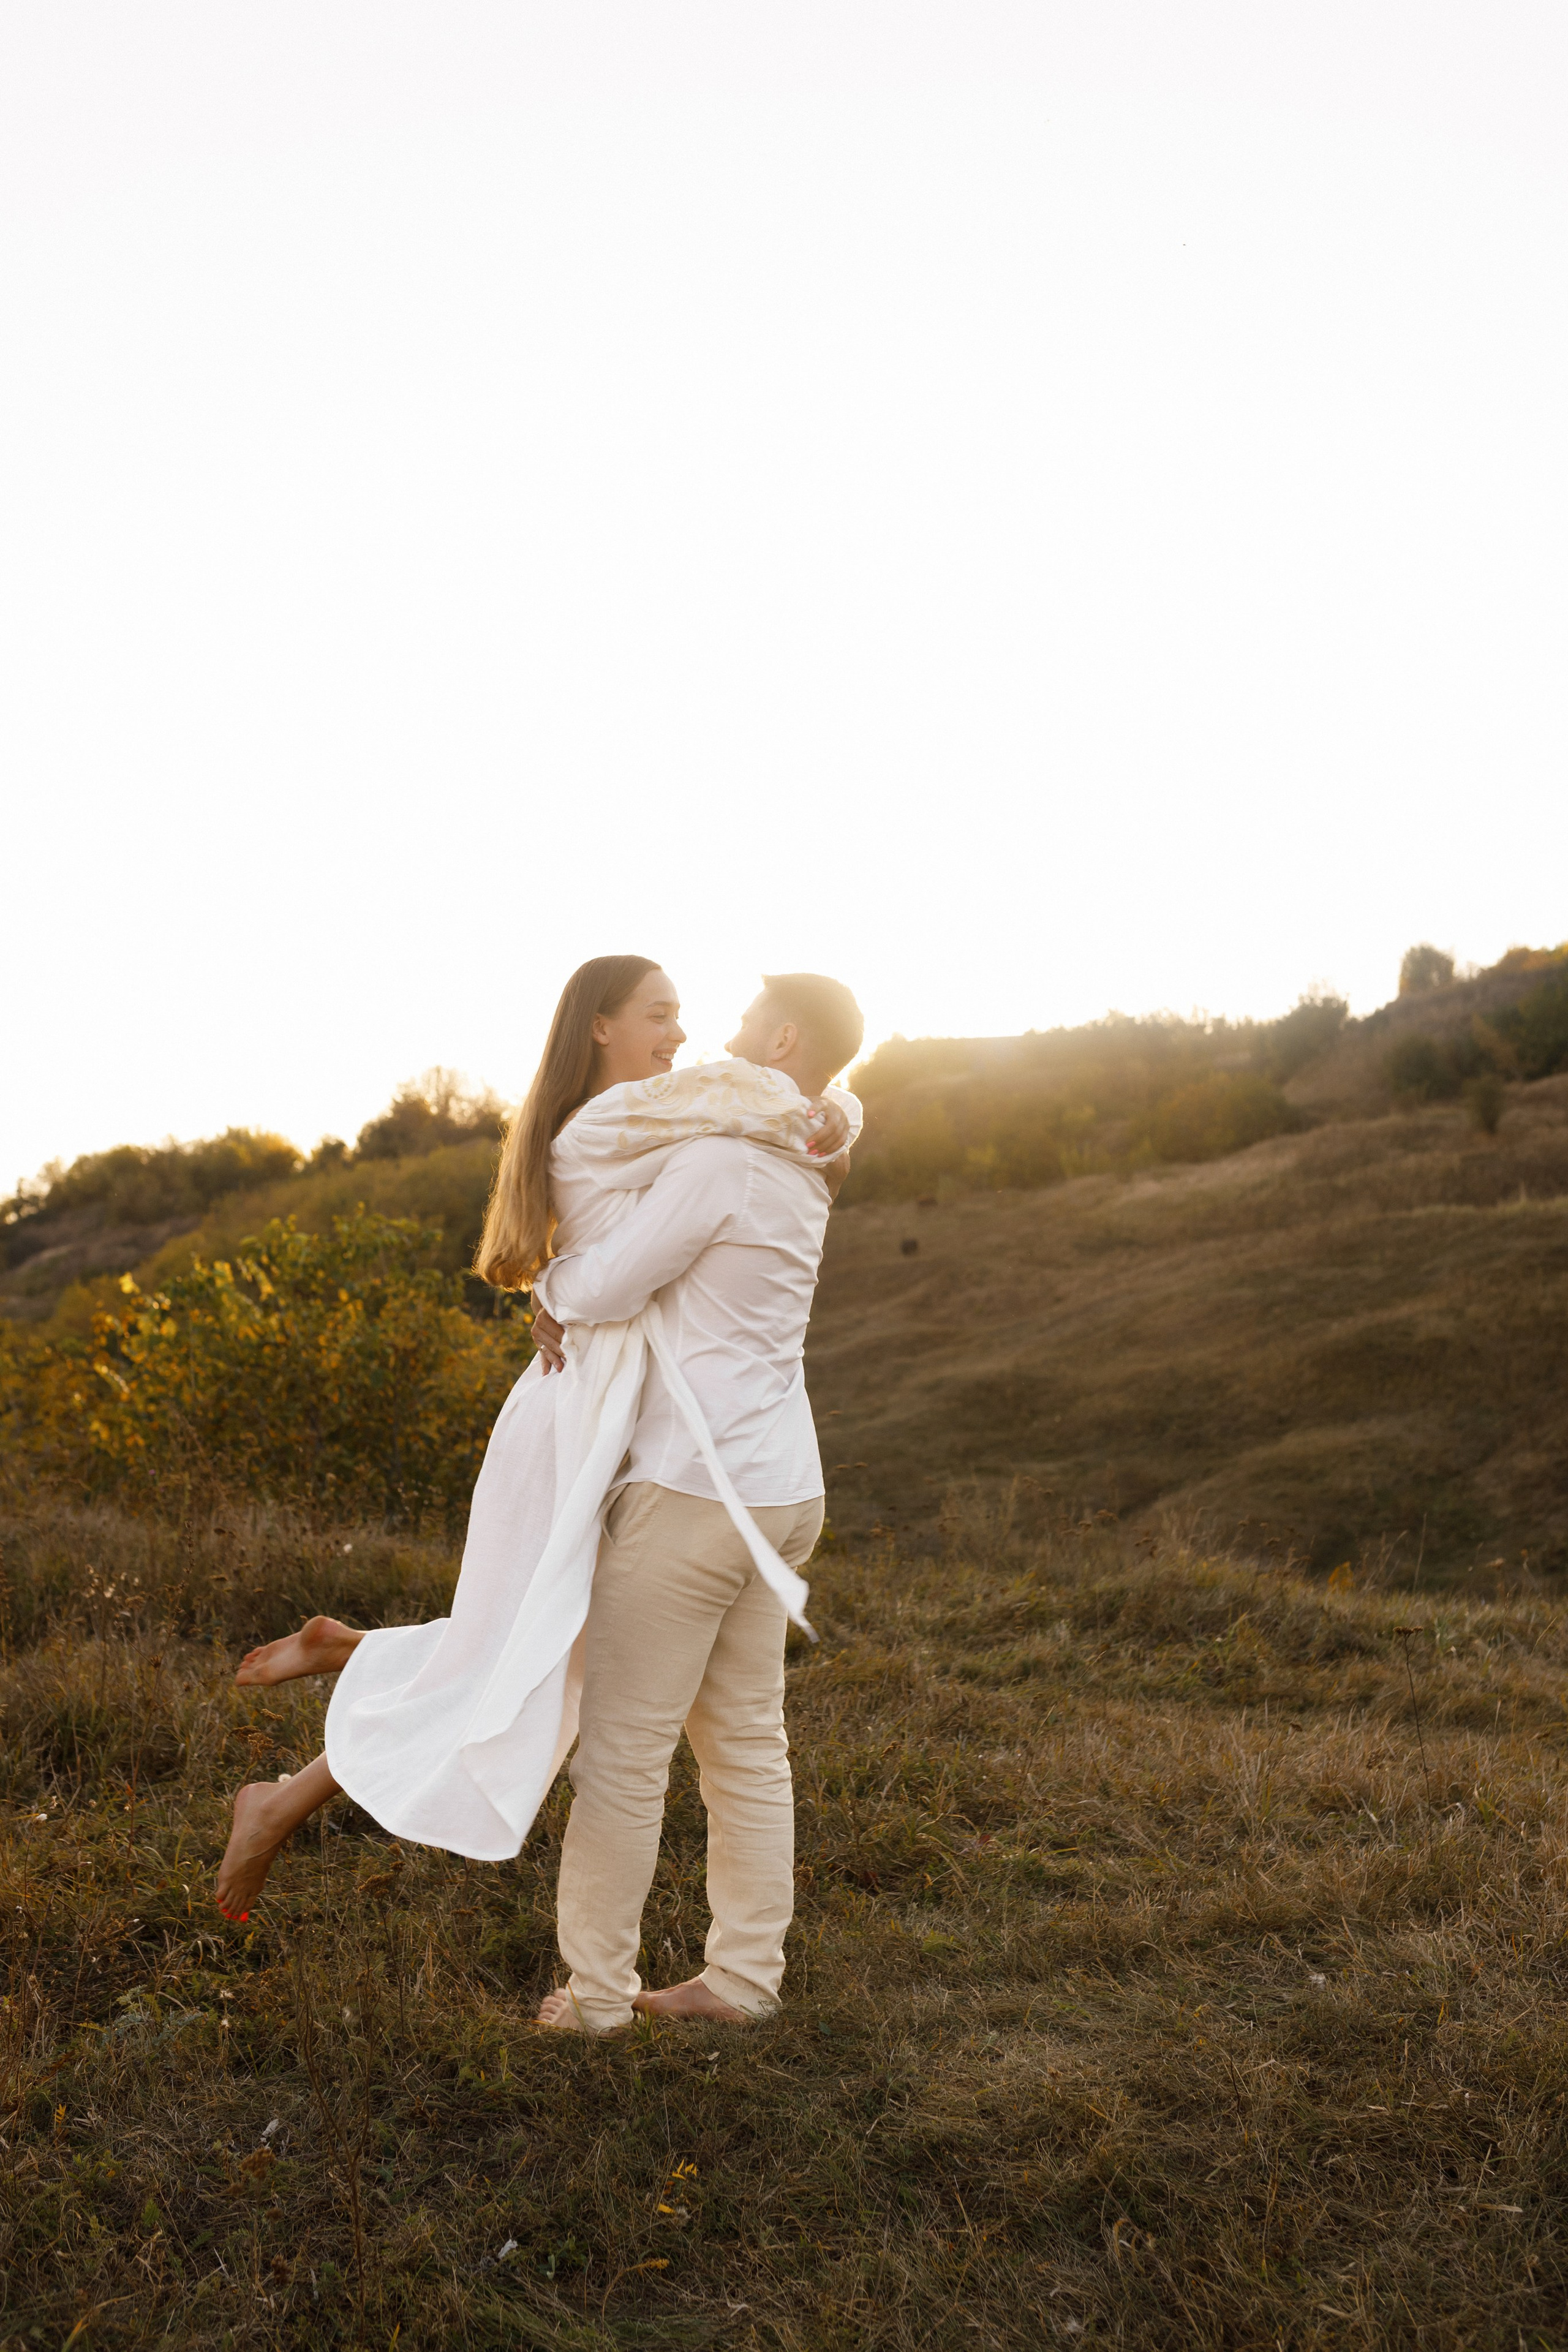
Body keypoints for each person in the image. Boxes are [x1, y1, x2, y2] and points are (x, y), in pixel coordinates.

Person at [216, 960, 862, 2030]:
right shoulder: (795, 1154)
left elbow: (608, 1282)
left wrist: (550, 1292)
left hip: (693, 1491)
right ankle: (744, 1983)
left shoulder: (725, 1156)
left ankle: (598, 2000)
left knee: (623, 1752)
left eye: (744, 1020)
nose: (716, 1039)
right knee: (748, 1740)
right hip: (783, 1486)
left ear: (785, 1043)